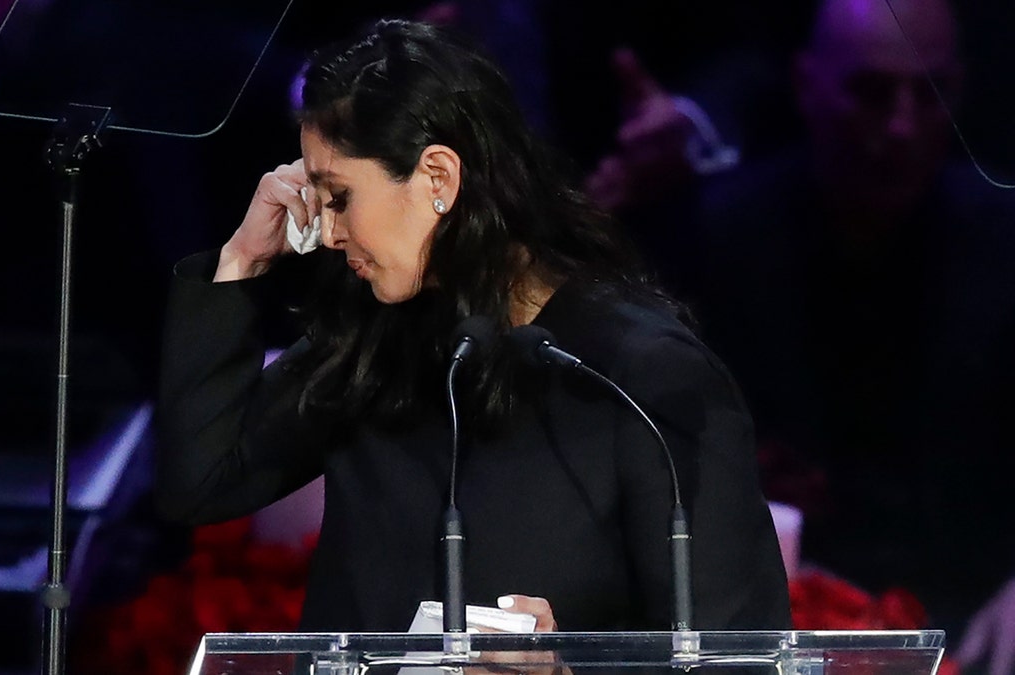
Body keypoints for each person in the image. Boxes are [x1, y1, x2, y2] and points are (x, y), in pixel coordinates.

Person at [155, 19, 791, 632]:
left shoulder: (644, 376)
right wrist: (241, 261)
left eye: (339, 196)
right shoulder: (377, 337)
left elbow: (734, 646)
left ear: (438, 176)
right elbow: (201, 486)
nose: (326, 230)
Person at [679, 0, 1015, 661]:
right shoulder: (721, 241)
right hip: (778, 619)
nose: (900, 126)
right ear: (808, 86)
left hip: (974, 613)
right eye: (870, 93)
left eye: (930, 94)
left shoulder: (1005, 245)